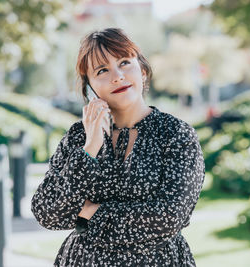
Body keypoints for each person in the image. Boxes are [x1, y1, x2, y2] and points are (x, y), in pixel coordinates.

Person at [31, 28, 205, 266]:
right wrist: (90, 147)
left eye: (124, 62)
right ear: (90, 86)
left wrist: (90, 214)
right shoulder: (77, 138)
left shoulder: (176, 135)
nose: (116, 76)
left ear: (142, 71)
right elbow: (48, 213)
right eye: (102, 70)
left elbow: (170, 217)